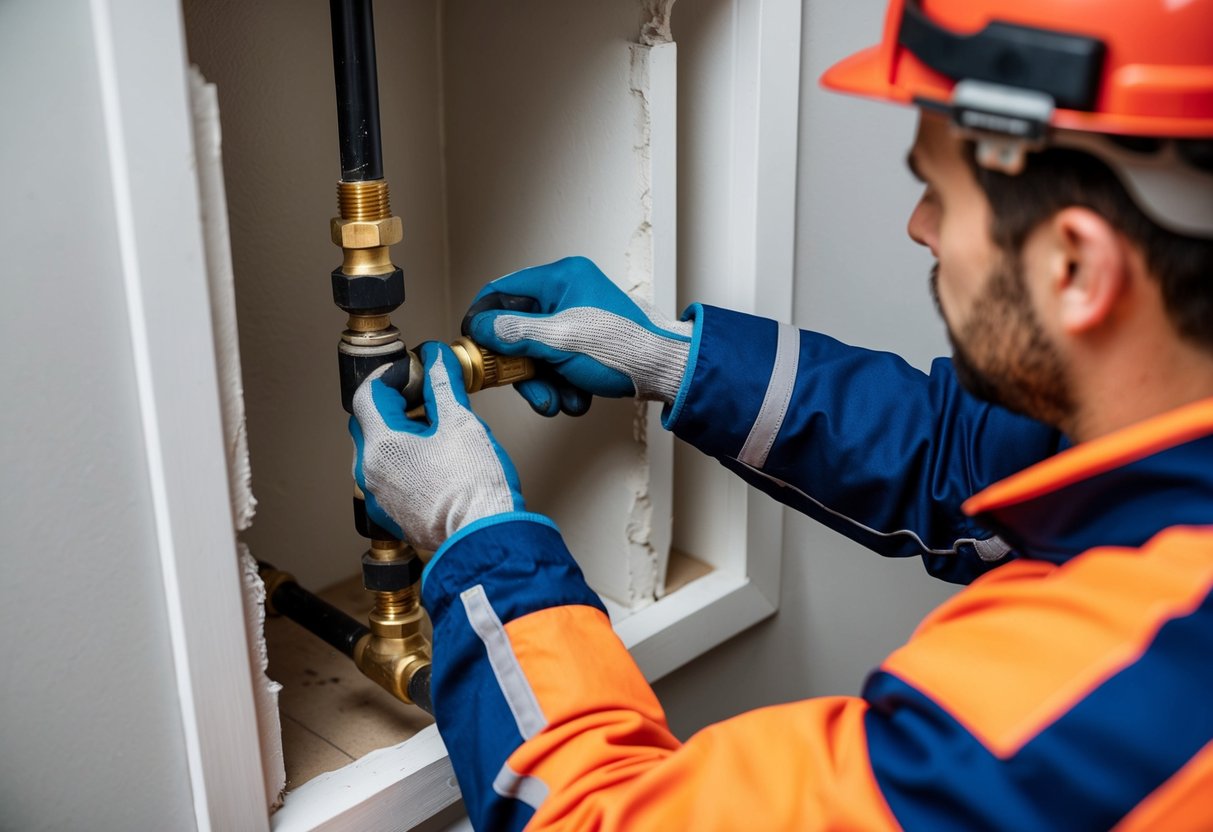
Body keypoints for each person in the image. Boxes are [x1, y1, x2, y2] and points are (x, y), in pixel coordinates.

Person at [349, 0, 1213, 828]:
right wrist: (675, 359)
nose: (919, 227)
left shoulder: (1099, 703)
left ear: (1075, 269)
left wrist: (478, 537)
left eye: (939, 197)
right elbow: (967, 459)